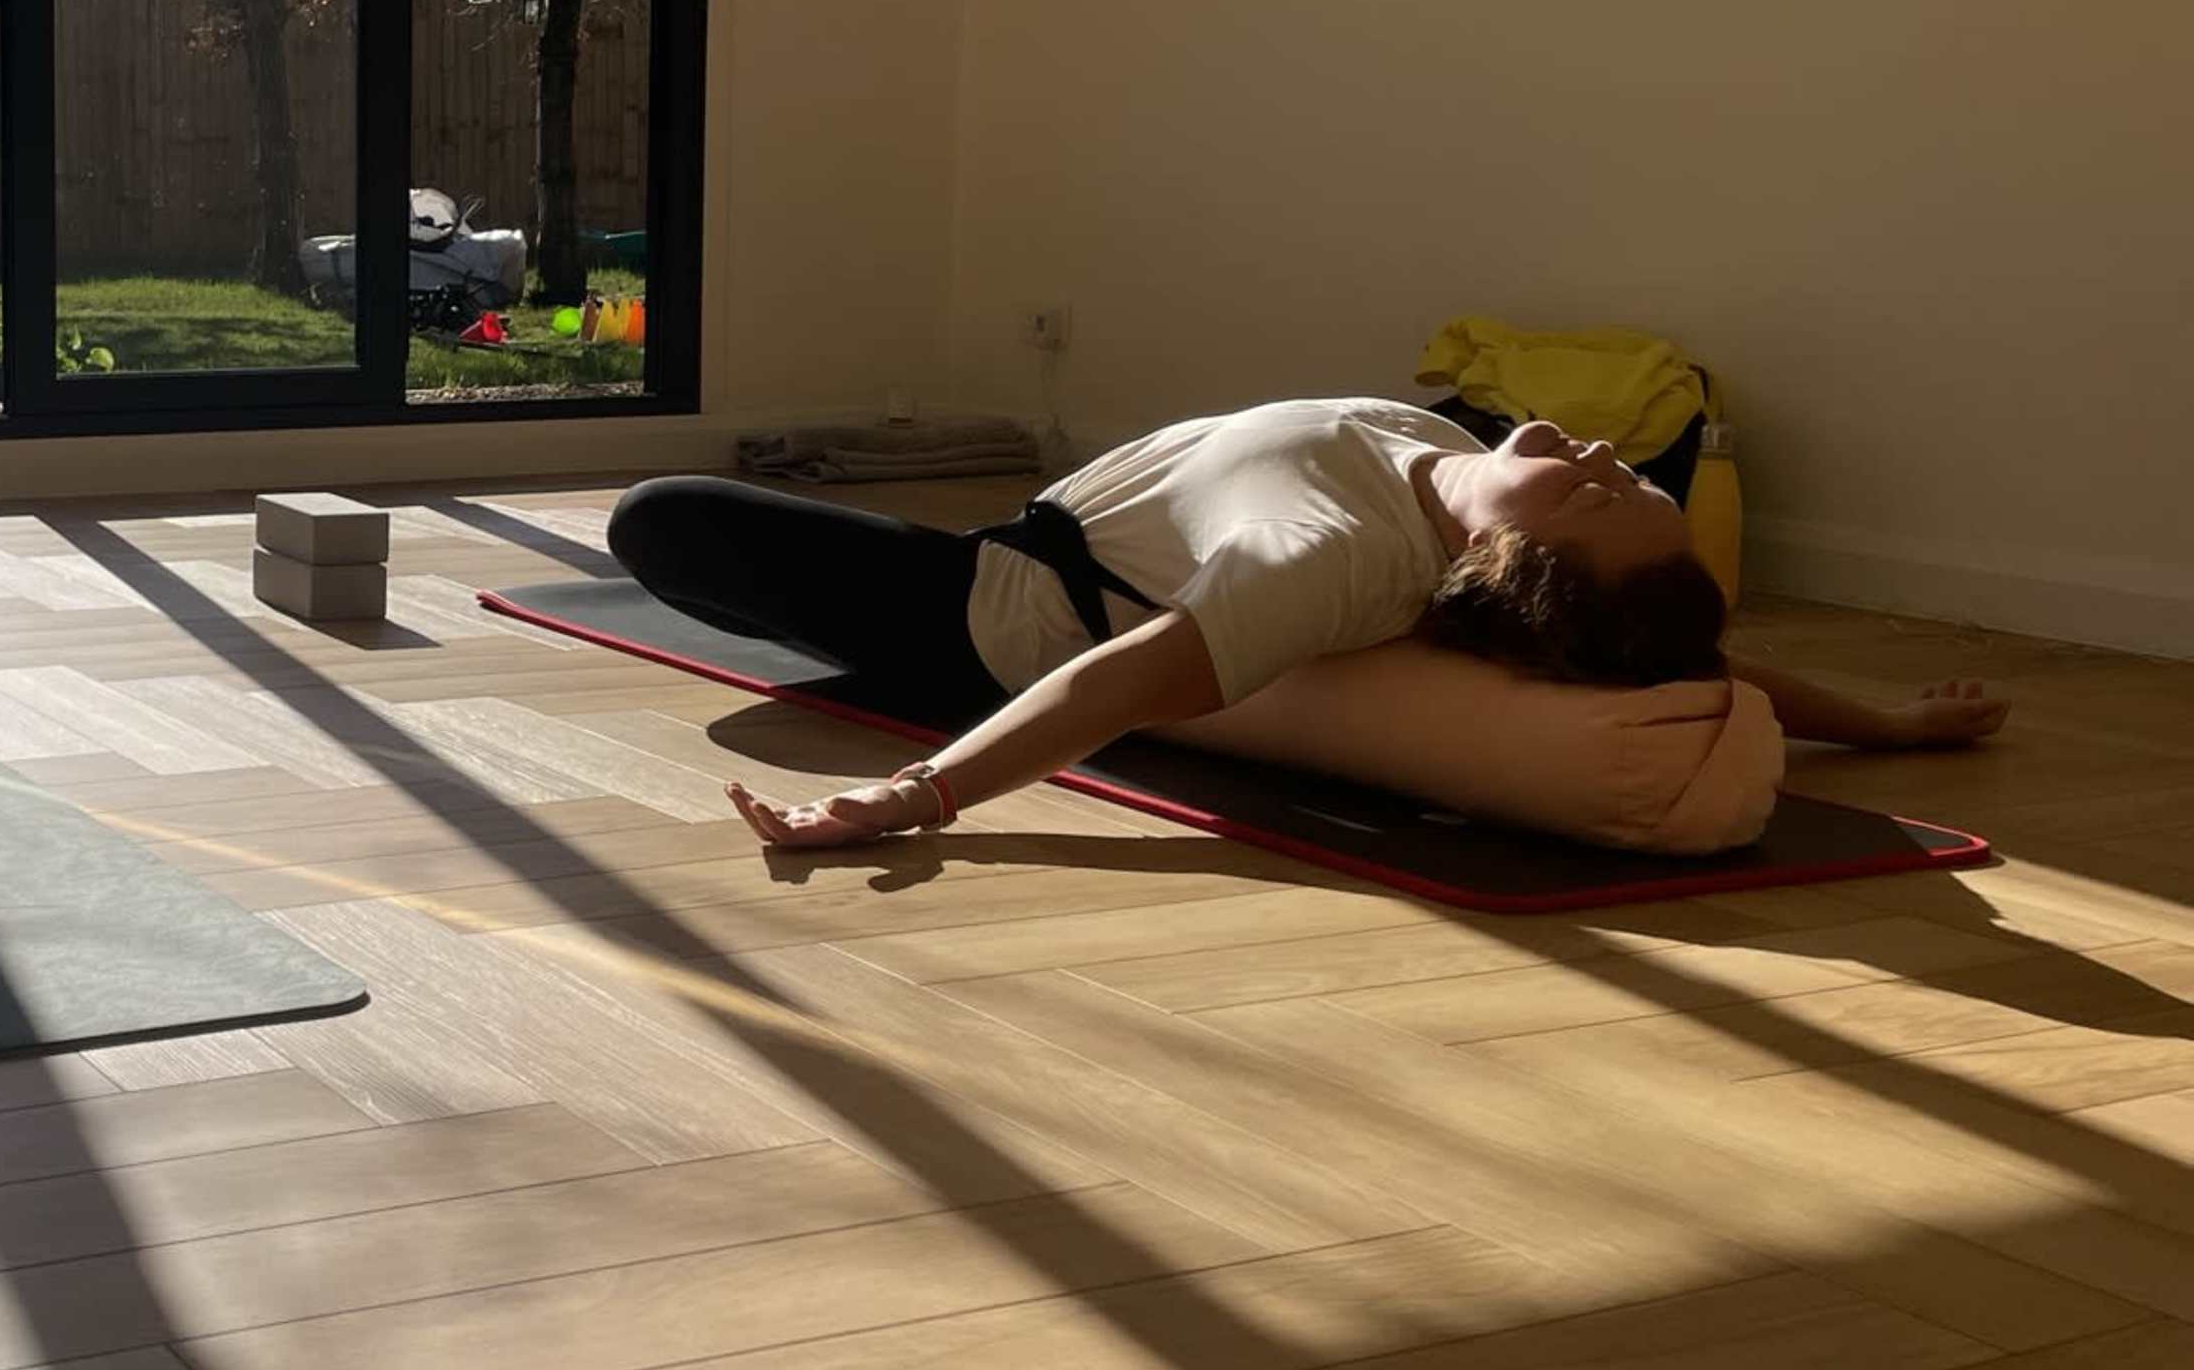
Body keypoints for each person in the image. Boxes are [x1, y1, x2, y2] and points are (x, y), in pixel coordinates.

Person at [604, 397, 2011, 852]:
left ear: (1517, 556)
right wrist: (1890, 724)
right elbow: (1703, 656)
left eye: (1593, 497)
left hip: (985, 614)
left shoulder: (1327, 558)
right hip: (1029, 538)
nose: (1604, 462)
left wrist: (910, 795)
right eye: (1630, 479)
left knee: (662, 516)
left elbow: (1124, 681)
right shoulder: (1445, 446)